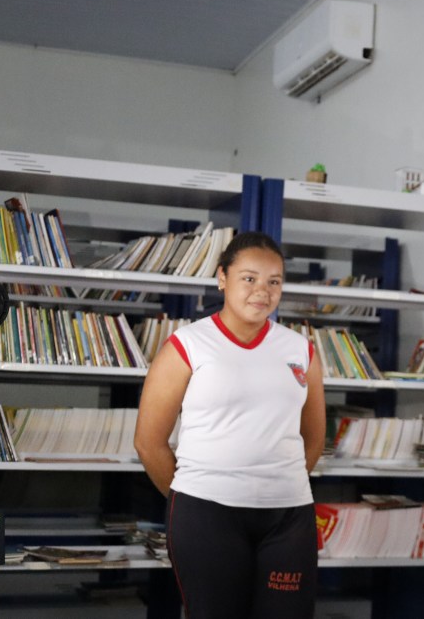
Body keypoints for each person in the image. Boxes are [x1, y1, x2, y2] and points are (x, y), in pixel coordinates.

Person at [134, 231, 326, 619]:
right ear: (222, 277)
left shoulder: (300, 349)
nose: (262, 291)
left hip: (288, 516)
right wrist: (191, 496)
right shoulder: (187, 345)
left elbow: (314, 438)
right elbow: (148, 442)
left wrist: (274, 482)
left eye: (274, 282)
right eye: (249, 278)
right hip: (207, 515)